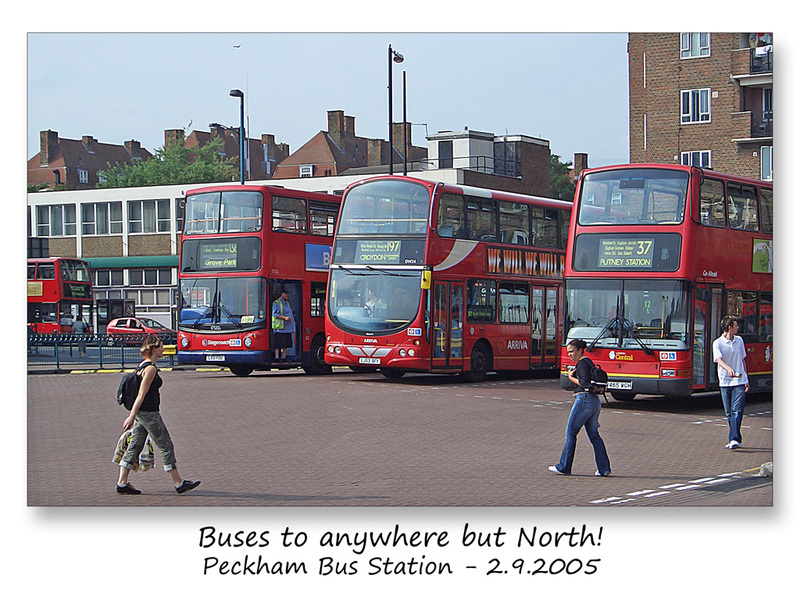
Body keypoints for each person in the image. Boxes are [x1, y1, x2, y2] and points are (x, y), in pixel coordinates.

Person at [116, 334, 200, 495]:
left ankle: (122, 483)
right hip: (149, 414)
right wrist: (131, 416)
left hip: (143, 414)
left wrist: (135, 415)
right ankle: (178, 483)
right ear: (153, 349)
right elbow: (141, 394)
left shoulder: (142, 365)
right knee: (165, 445)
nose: (163, 349)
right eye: (161, 346)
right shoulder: (150, 369)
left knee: (136, 445)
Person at [549, 339, 612, 477]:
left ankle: (564, 466)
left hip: (584, 400)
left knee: (570, 433)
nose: (570, 354)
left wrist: (571, 377)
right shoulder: (589, 362)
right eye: (568, 352)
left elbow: (585, 383)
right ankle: (604, 469)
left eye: (572, 351)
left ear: (580, 350)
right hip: (594, 402)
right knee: (594, 435)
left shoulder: (582, 363)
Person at [712, 315, 750, 449]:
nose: (738, 327)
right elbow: (718, 359)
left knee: (737, 411)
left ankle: (733, 439)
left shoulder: (739, 340)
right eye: (736, 325)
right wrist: (728, 369)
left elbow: (743, 360)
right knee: (729, 412)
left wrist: (746, 378)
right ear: (729, 328)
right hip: (725, 381)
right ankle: (736, 437)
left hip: (739, 380)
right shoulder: (718, 343)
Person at [271, 285, 295, 362]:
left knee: (286, 344)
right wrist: (285, 318)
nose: (287, 295)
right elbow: (275, 314)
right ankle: (277, 357)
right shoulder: (277, 303)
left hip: (287, 328)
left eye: (288, 294)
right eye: (285, 294)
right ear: (281, 294)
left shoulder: (287, 303)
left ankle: (283, 357)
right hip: (280, 328)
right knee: (278, 344)